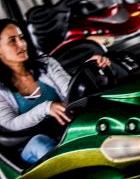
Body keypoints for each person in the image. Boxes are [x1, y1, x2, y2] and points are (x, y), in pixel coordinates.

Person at [0, 19, 110, 164]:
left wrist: (88, 68)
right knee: (41, 144)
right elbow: (10, 123)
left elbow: (71, 91)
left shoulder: (47, 64)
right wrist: (46, 108)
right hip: (30, 144)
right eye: (12, 41)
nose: (21, 44)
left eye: (21, 38)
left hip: (66, 131)